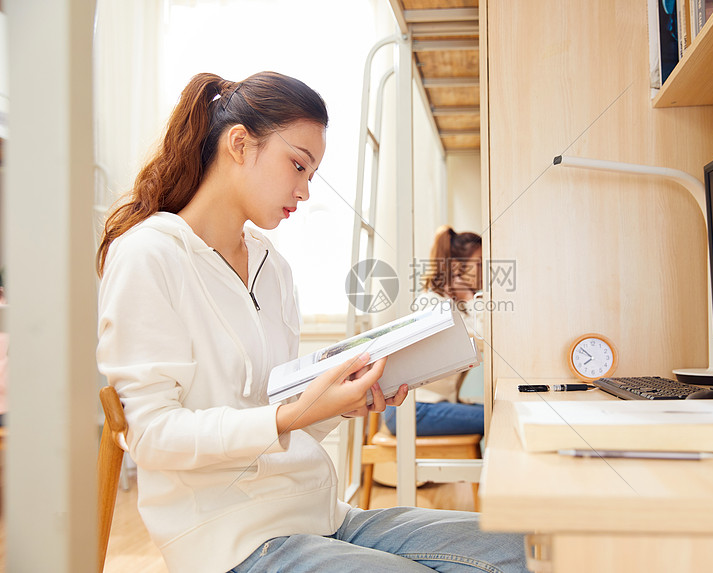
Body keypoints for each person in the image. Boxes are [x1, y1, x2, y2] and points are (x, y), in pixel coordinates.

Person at [96, 71, 526, 573]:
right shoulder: (149, 254)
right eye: (297, 165)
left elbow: (279, 418)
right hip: (230, 536)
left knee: (527, 548)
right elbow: (151, 436)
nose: (303, 191)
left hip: (317, 513)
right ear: (239, 144)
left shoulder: (271, 266)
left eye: (311, 175)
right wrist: (290, 417)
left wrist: (341, 403)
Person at [384, 226, 485, 437]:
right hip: (415, 410)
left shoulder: (454, 305)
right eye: (479, 264)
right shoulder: (432, 303)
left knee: (497, 410)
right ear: (457, 267)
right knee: (495, 417)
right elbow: (484, 341)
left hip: (432, 406)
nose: (484, 271)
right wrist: (469, 296)